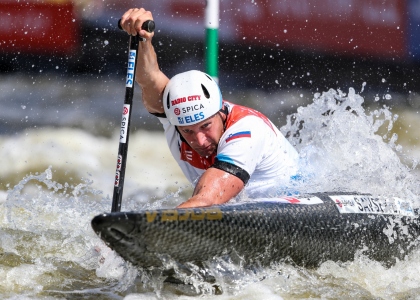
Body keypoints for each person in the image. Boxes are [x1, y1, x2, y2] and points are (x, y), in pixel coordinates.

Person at [120, 8, 300, 208]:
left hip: (300, 196)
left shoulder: (247, 130)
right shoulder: (176, 117)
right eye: (188, 131)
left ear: (221, 111)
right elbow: (149, 77)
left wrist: (146, 232)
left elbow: (206, 200)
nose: (199, 140)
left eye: (205, 126)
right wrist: (143, 38)